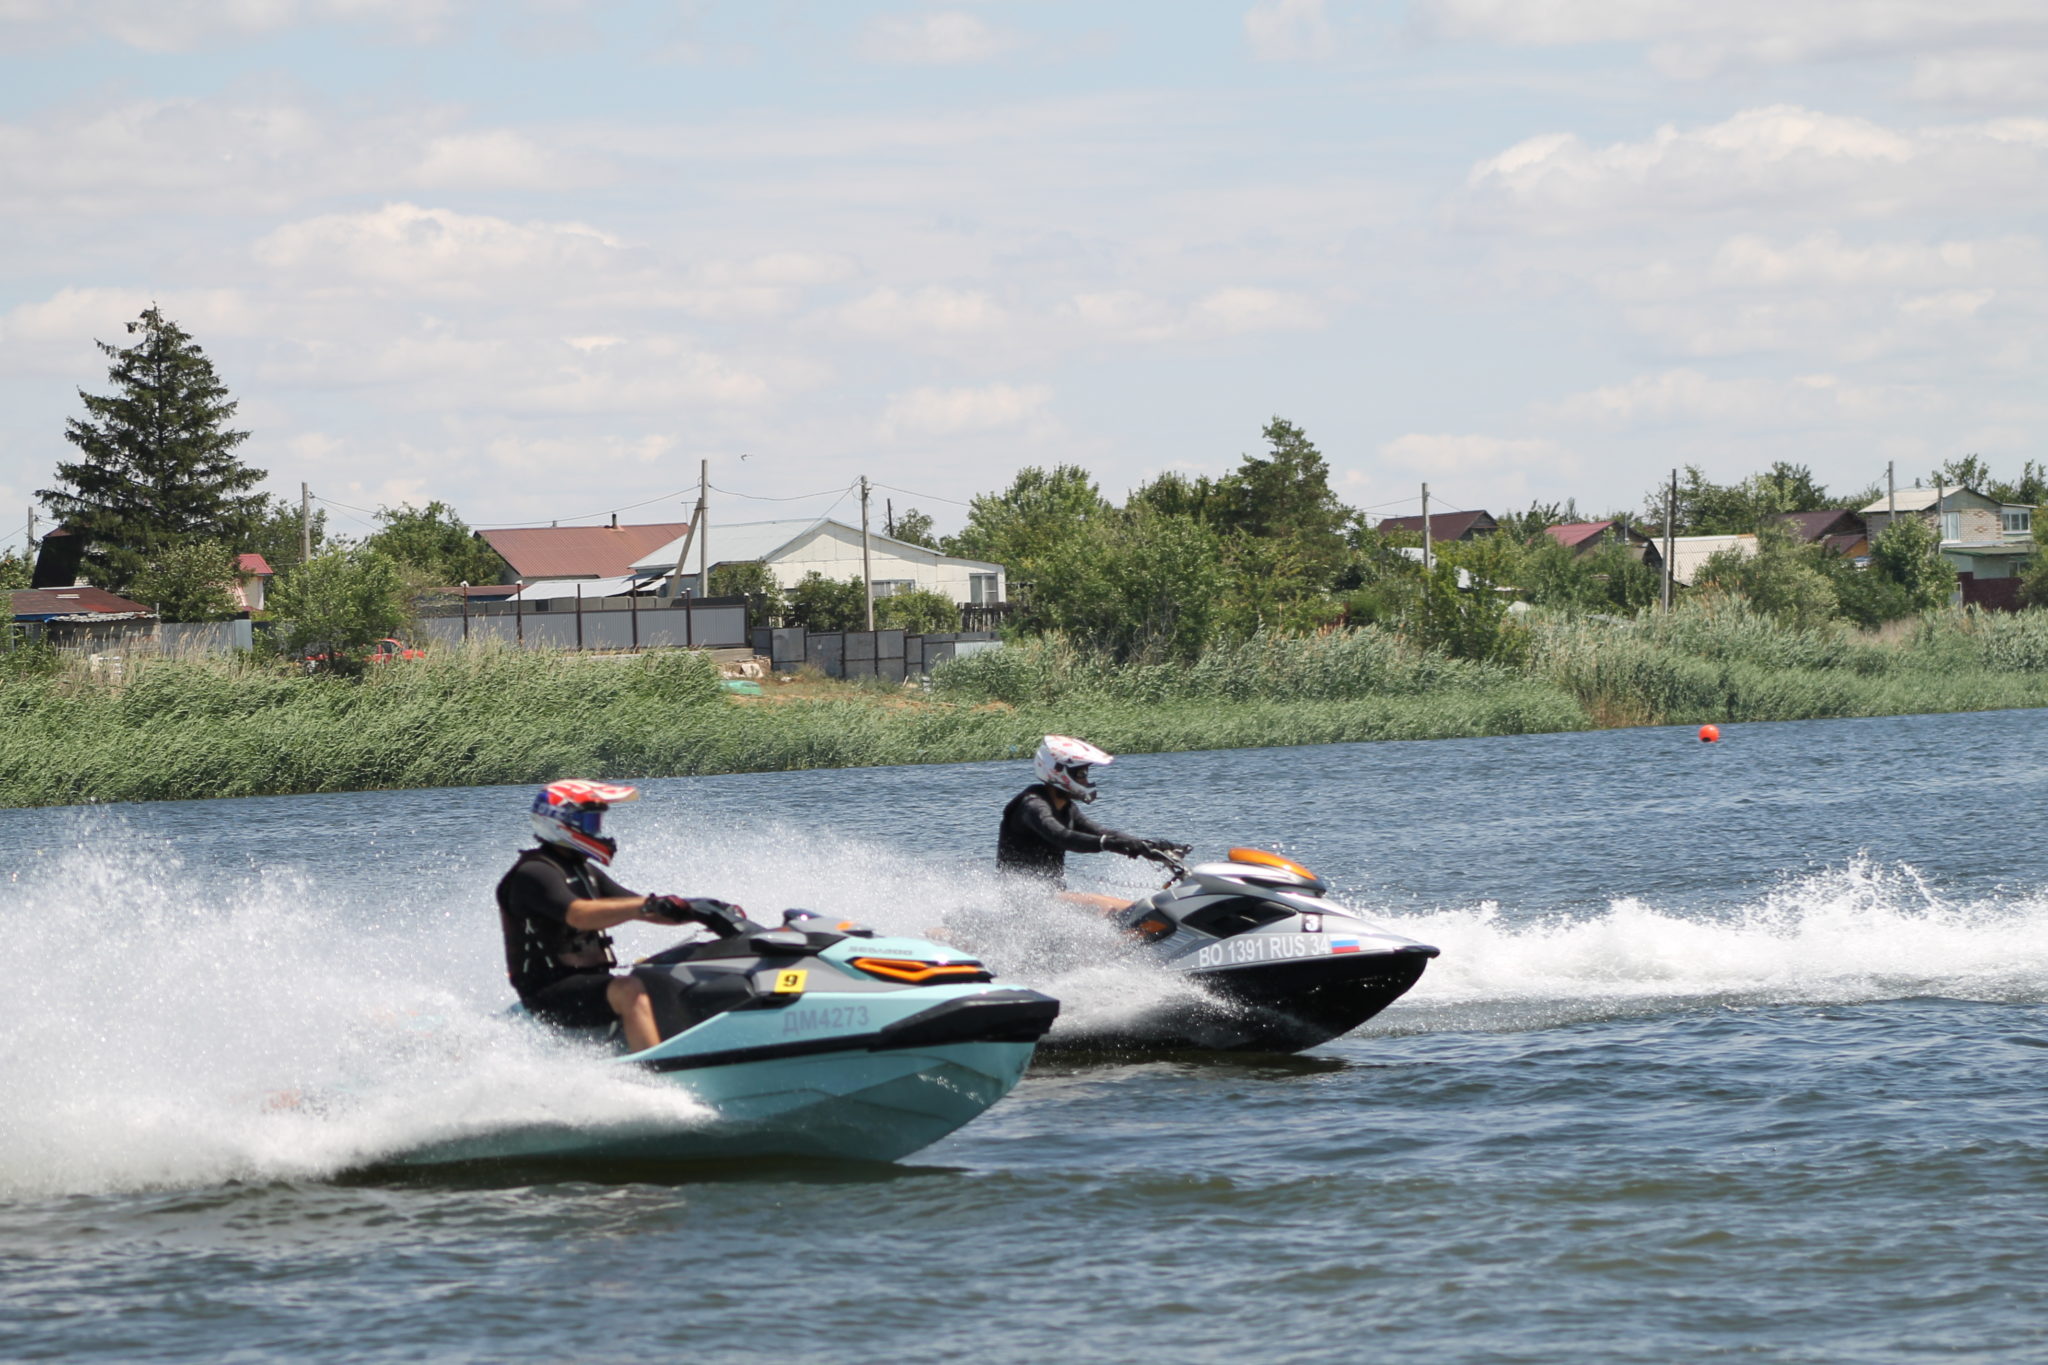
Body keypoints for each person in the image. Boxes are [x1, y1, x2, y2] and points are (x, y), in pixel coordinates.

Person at [497, 779, 744, 1052]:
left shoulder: (584, 871)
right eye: (590, 822)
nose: (597, 830)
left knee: (665, 975)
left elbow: (643, 906)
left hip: (584, 983)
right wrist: (644, 907)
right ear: (559, 822)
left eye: (597, 822)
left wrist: (700, 911)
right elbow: (580, 914)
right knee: (629, 990)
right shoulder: (534, 873)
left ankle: (706, 1044)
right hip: (547, 993)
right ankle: (657, 1071)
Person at [997, 735, 1188, 914]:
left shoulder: (1066, 808)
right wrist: (1107, 843)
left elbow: (1101, 832)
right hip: (1026, 902)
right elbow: (1062, 837)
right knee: (1119, 909)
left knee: (1133, 910)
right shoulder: (1032, 806)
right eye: (1080, 774)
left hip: (1051, 900)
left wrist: (1148, 847)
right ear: (1057, 771)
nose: (1086, 780)